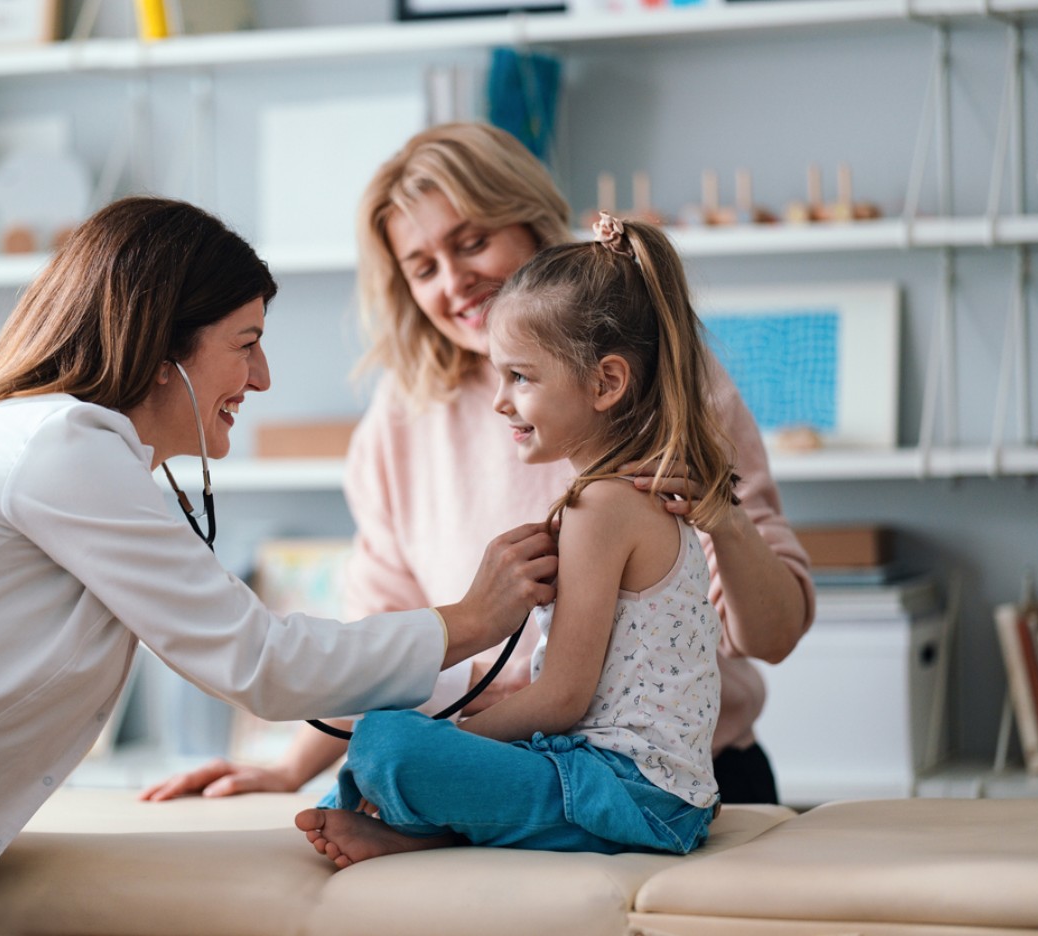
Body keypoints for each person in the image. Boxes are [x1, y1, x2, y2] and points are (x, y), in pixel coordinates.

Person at [0, 196, 558, 936]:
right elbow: (261, 660)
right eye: (246, 344)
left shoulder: (63, 449)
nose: (262, 380)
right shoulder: (62, 447)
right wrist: (473, 617)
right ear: (163, 353)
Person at [141, 122, 812, 807]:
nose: (455, 282)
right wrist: (289, 770)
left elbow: (773, 635)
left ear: (530, 225)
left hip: (681, 780)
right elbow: (390, 642)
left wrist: (723, 523)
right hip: (505, 771)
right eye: (424, 267)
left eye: (472, 243)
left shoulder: (666, 386)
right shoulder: (399, 424)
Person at [296, 213, 735, 866]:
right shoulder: (613, 499)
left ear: (605, 383)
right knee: (393, 740)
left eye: (521, 378)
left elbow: (561, 698)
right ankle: (413, 828)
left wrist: (452, 738)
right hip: (632, 789)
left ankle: (401, 817)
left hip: (629, 794)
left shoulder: (601, 507)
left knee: (388, 742)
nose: (500, 401)